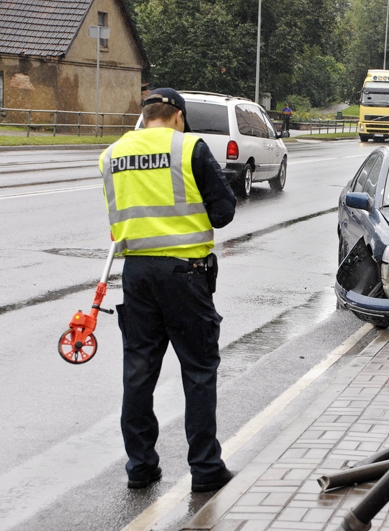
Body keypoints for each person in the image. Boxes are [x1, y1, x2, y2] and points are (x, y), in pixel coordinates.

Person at [99, 88, 237, 492]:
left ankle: (140, 468)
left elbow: (116, 215)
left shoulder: (111, 155)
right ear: (178, 116)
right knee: (198, 371)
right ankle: (205, 470)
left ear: (145, 116)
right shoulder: (189, 147)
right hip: (185, 274)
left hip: (136, 274)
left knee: (138, 374)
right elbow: (223, 212)